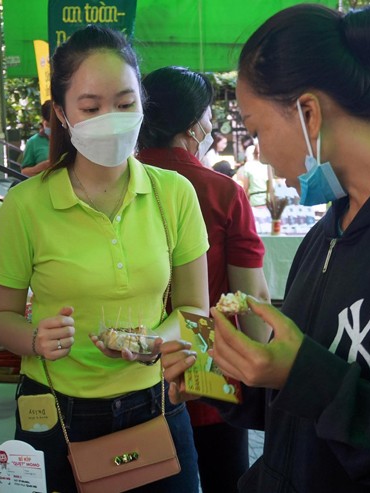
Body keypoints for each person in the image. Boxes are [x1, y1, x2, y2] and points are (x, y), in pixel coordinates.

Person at [161, 4, 370, 492]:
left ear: (308, 113)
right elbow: (297, 399)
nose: (259, 153)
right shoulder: (330, 229)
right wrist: (220, 373)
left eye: (256, 131)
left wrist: (310, 378)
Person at [0, 25, 208, 493]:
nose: (111, 117)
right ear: (62, 115)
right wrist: (33, 339)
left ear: (143, 104)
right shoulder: (26, 205)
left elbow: (193, 309)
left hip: (155, 404)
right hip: (55, 411)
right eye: (91, 107)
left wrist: (151, 341)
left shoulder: (174, 194)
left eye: (126, 104)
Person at [137, 65, 271, 492]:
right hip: (209, 378)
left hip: (131, 378)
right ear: (194, 126)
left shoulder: (116, 186)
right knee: (224, 481)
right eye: (209, 115)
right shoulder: (221, 191)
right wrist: (258, 371)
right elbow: (250, 299)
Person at [19, 100, 52, 177]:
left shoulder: (69, 139)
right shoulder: (33, 142)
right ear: (43, 121)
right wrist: (39, 168)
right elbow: (24, 172)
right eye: (49, 124)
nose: (52, 128)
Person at [235, 138, 269, 206]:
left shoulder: (248, 166)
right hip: (268, 201)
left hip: (254, 201)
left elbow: (246, 188)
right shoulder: (268, 165)